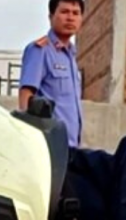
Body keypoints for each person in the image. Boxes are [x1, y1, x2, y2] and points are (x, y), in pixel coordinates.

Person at [19, 0, 84, 147]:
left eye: (75, 13)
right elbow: (26, 97)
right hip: (47, 144)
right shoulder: (40, 50)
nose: (70, 17)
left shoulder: (71, 57)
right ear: (51, 16)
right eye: (64, 12)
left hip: (71, 147)